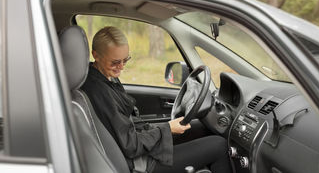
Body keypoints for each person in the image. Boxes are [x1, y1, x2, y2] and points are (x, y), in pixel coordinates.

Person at [81, 26, 232, 173]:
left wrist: (164, 128)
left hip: (139, 150)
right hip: (141, 162)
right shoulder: (99, 92)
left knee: (199, 129)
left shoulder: (104, 77)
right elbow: (131, 145)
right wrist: (167, 129)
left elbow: (127, 126)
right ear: (96, 55)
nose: (121, 67)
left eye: (125, 60)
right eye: (115, 62)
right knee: (218, 145)